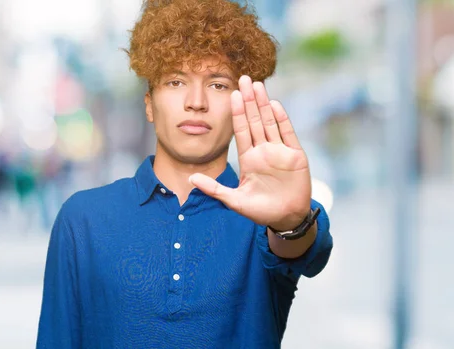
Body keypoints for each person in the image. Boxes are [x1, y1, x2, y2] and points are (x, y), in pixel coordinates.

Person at [36, 0, 333, 348]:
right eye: (176, 81)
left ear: (241, 103)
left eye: (218, 84)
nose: (196, 101)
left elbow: (305, 248)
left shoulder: (267, 216)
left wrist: (291, 222)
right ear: (149, 103)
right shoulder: (82, 218)